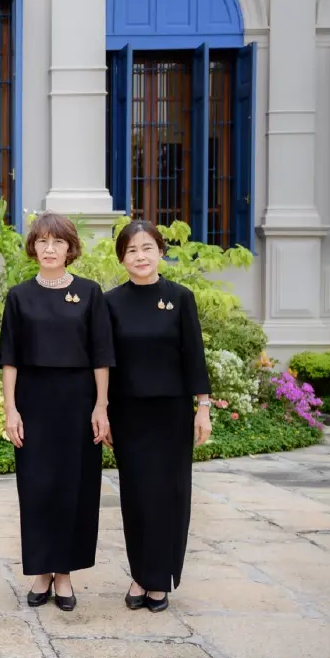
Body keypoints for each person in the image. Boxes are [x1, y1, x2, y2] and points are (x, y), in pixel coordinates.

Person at [0, 212, 114, 612]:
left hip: (79, 401)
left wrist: (101, 405)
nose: (50, 249)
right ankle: (40, 570)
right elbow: (9, 358)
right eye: (43, 241)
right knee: (36, 488)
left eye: (58, 242)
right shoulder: (20, 295)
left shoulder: (89, 292)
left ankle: (63, 573)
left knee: (75, 488)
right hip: (33, 401)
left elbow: (101, 355)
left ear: (70, 248)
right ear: (33, 247)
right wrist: (10, 409)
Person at [105, 220, 212, 613]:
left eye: (147, 248)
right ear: (122, 259)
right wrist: (104, 411)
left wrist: (203, 407)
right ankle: (140, 575)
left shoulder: (180, 298)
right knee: (136, 497)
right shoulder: (110, 301)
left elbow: (194, 356)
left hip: (172, 414)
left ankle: (161, 580)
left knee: (170, 495)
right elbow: (105, 362)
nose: (140, 256)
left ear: (161, 252)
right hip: (129, 414)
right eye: (131, 250)